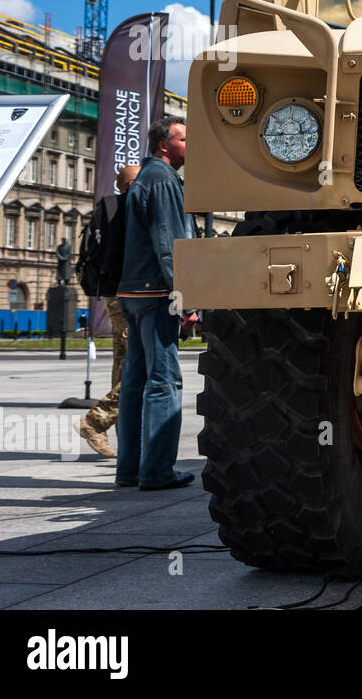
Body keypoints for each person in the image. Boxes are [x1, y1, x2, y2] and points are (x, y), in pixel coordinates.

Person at [115, 118, 197, 489]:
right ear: (164, 145)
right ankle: (157, 471)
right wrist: (186, 296)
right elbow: (169, 244)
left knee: (134, 383)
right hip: (155, 293)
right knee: (165, 382)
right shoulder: (163, 179)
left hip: (132, 292)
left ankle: (128, 469)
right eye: (184, 138)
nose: (189, 145)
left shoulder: (143, 178)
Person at [75, 164, 141, 458]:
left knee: (124, 360)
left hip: (113, 293)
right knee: (141, 363)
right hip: (126, 293)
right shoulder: (125, 208)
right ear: (131, 183)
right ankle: (95, 420)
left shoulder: (109, 208)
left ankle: (123, 435)